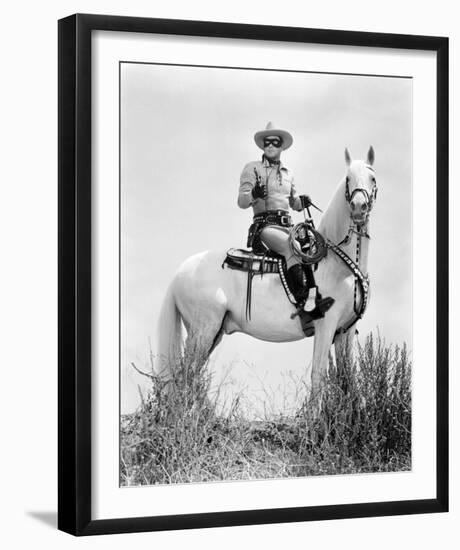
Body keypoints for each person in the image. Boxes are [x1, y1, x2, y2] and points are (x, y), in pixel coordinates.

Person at [238, 121, 333, 322]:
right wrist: (254, 194)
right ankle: (302, 302)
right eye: (267, 143)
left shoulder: (288, 173)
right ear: (263, 147)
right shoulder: (252, 169)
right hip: (265, 227)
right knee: (293, 247)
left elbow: (294, 202)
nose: (270, 146)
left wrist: (302, 201)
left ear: (281, 147)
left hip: (288, 225)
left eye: (275, 142)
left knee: (313, 246)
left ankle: (317, 294)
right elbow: (241, 201)